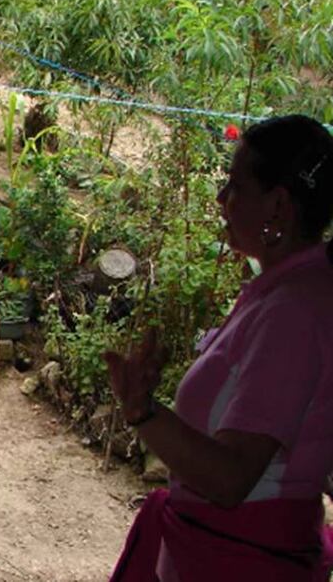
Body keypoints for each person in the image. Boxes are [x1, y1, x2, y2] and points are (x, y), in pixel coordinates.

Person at [106, 115, 333, 582]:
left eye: (235, 186)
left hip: (239, 560)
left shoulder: (295, 311)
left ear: (278, 206)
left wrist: (143, 412)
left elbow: (230, 479)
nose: (221, 200)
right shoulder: (282, 291)